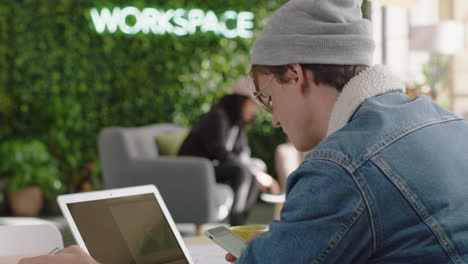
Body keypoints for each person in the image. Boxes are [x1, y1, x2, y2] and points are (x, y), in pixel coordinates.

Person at [20, 0, 468, 263]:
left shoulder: (342, 167)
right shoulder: (445, 120)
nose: (272, 118)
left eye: (268, 96)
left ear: (297, 73)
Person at [178, 77, 280, 226]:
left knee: (256, 166)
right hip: (195, 170)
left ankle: (242, 223)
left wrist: (257, 171)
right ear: (241, 101)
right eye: (253, 104)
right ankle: (237, 224)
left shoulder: (237, 124)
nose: (256, 110)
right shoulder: (217, 117)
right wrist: (255, 173)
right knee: (243, 171)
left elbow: (242, 153)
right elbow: (220, 153)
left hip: (213, 168)